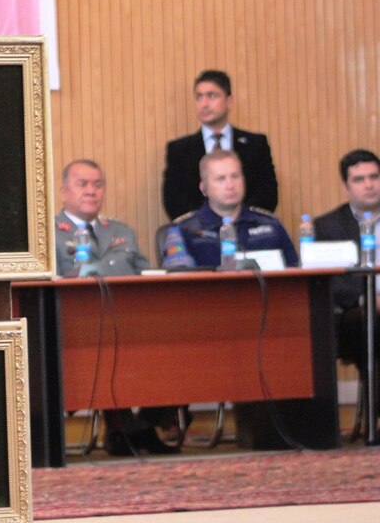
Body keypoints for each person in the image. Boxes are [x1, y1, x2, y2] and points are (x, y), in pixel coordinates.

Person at [55, 160, 178, 455]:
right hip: (76, 325)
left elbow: (145, 273)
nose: (91, 191)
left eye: (98, 184)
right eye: (82, 184)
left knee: (170, 340)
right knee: (108, 345)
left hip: (129, 319)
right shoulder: (50, 233)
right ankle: (123, 429)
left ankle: (144, 425)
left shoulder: (121, 231)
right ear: (64, 191)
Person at [162, 70, 279, 220]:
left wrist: (238, 220)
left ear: (229, 101)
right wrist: (206, 223)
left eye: (212, 96)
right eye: (199, 97)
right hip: (199, 234)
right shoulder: (179, 150)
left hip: (247, 230)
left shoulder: (256, 144)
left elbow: (267, 194)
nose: (204, 104)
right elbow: (173, 200)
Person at [314, 149, 380, 380]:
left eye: (374, 177)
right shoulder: (327, 226)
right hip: (357, 313)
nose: (369, 185)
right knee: (373, 321)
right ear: (346, 187)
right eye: (359, 179)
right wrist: (370, 298)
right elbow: (331, 282)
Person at [170, 150, 297, 268]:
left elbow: (296, 277)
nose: (230, 185)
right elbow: (177, 285)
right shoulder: (184, 231)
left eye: (235, 176)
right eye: (221, 179)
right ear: (203, 188)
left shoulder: (271, 225)